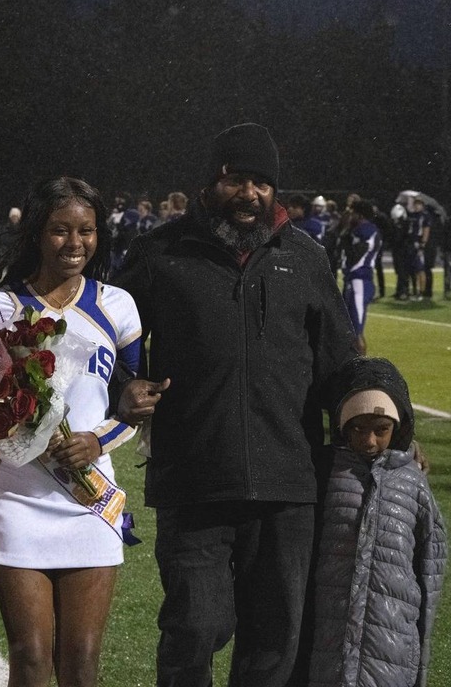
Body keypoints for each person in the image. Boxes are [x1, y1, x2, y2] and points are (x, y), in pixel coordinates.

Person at [114, 122, 357, 687]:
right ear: (210, 184)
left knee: (274, 643)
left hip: (288, 482)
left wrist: (389, 414)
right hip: (194, 478)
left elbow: (340, 361)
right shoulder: (160, 253)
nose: (249, 193)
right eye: (235, 179)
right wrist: (121, 387)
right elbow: (107, 342)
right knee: (194, 628)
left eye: (262, 182)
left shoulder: (306, 257)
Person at [0, 176, 142, 687]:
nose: (75, 243)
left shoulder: (118, 306)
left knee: (82, 661)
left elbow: (135, 402)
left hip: (91, 498)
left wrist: (96, 441)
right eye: (60, 230)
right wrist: (11, 429)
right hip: (18, 500)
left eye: (86, 231)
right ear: (38, 234)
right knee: (30, 655)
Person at [307, 356, 447, 687]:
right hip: (329, 641)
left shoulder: (412, 481)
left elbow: (430, 567)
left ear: (397, 428)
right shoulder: (325, 472)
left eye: (381, 430)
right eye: (358, 428)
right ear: (342, 425)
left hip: (391, 644)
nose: (369, 441)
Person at [340, 199, 381, 355]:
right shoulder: (356, 230)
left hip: (360, 281)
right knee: (349, 330)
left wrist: (347, 239)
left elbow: (356, 255)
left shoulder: (367, 230)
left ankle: (362, 370)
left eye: (353, 213)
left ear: (360, 214)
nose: (350, 216)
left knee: (356, 331)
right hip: (352, 280)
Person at [407, 196, 431, 300]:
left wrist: (423, 244)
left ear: (422, 205)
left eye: (419, 203)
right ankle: (415, 291)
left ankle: (421, 292)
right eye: (415, 203)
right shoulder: (412, 215)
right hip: (411, 244)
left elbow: (426, 230)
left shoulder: (424, 216)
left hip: (418, 244)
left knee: (421, 269)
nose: (417, 205)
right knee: (413, 270)